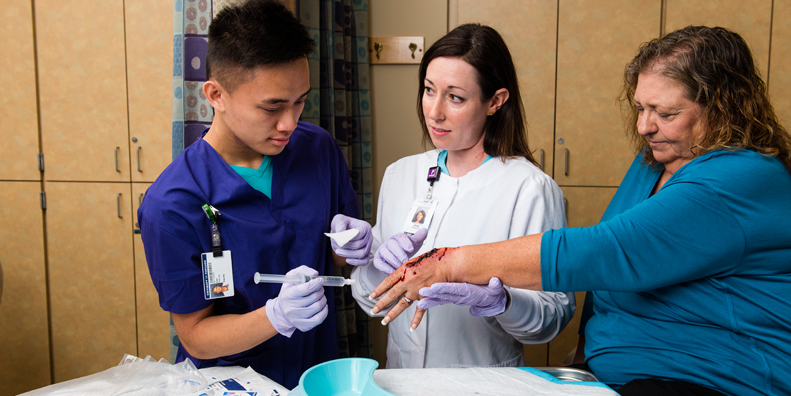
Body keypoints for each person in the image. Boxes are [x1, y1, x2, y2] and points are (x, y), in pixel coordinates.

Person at [369, 26, 791, 396]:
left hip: (712, 376)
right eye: (641, 108)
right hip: (613, 371)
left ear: (721, 108)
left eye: (665, 113)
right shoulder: (653, 163)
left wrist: (451, 263)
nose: (644, 126)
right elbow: (607, 280)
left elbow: (609, 252)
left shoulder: (743, 177)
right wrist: (587, 351)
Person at [137, 0, 372, 389]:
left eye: (300, 101)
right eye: (272, 107)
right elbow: (196, 334)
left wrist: (351, 245)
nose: (290, 122)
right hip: (232, 384)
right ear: (216, 95)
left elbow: (334, 256)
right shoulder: (172, 205)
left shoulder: (317, 149)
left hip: (316, 375)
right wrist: (275, 316)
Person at [349, 24, 574, 369]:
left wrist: (502, 301)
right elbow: (371, 301)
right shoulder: (400, 174)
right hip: (401, 383)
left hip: (482, 386)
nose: (434, 112)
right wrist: (375, 269)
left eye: (455, 97)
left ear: (495, 102)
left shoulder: (529, 189)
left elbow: (553, 316)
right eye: (428, 90)